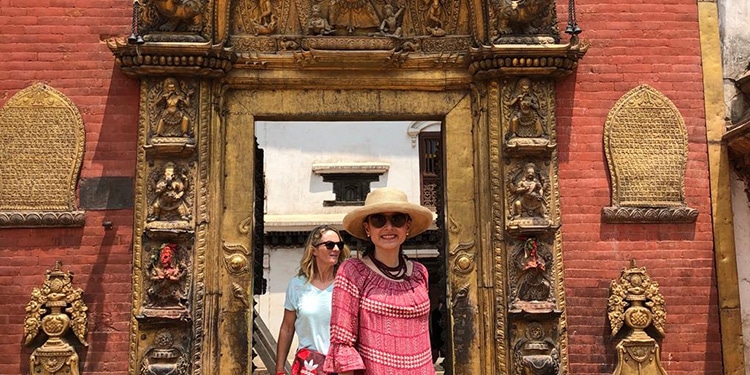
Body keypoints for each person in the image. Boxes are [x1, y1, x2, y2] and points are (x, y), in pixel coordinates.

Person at [324, 187, 436, 375]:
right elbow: (343, 343)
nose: (389, 227)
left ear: (407, 226)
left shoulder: (419, 273)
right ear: (368, 228)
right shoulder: (353, 273)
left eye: (397, 219)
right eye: (378, 220)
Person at [275, 225, 351, 375]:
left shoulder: (347, 284)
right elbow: (287, 328)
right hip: (308, 366)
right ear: (314, 250)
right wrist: (279, 369)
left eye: (339, 245)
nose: (336, 249)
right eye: (329, 245)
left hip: (341, 368)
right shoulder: (296, 285)